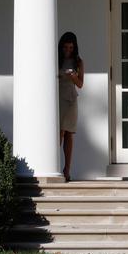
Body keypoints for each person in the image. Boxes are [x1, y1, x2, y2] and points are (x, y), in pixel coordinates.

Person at [58, 31, 84, 181]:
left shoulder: (78, 62)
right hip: (58, 98)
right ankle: (55, 166)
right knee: (59, 132)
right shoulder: (55, 60)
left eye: (71, 47)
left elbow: (80, 84)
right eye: (65, 47)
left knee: (69, 133)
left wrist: (73, 76)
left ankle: (67, 170)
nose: (68, 50)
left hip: (71, 100)